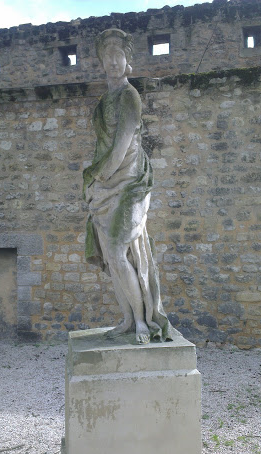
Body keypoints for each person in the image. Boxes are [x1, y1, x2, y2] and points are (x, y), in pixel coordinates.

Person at [83, 28, 172, 344]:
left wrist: (99, 175)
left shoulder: (129, 96)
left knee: (121, 252)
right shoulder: (104, 101)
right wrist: (96, 183)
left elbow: (121, 143)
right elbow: (101, 145)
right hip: (105, 187)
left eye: (118, 55)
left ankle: (142, 321)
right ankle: (126, 318)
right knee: (112, 257)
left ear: (128, 61)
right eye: (107, 57)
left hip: (130, 182)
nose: (112, 62)